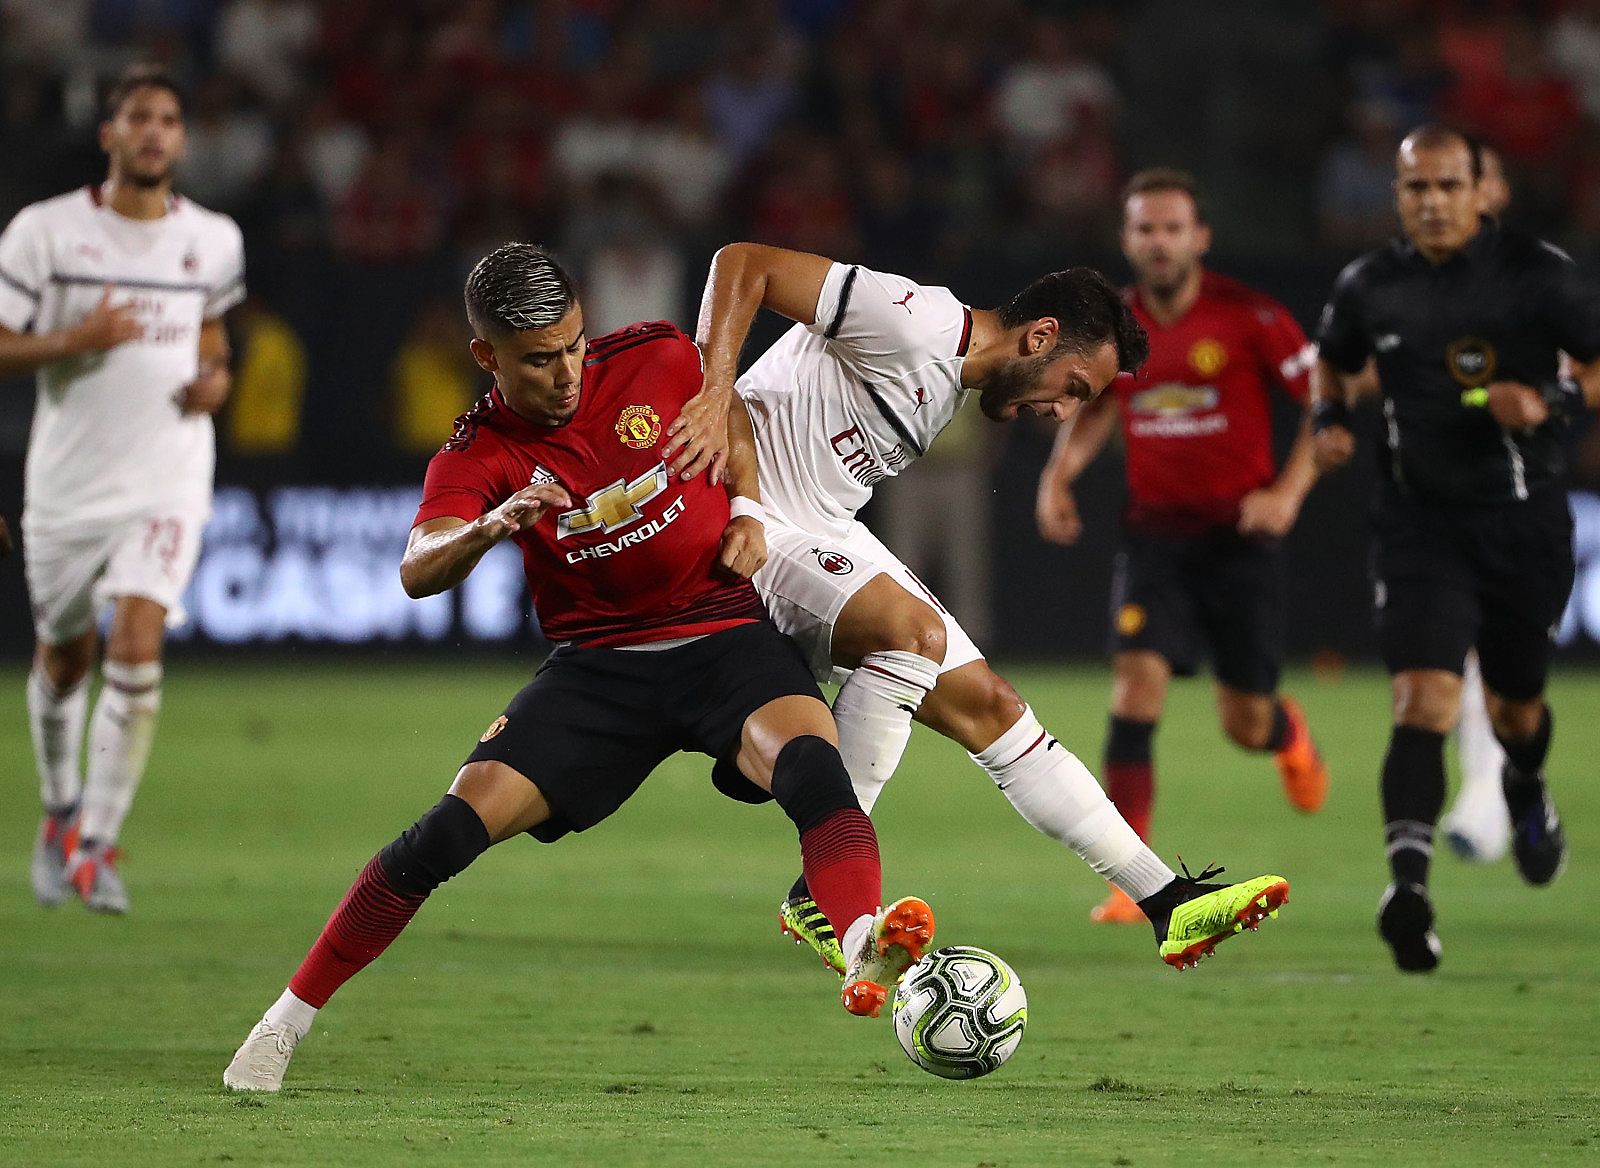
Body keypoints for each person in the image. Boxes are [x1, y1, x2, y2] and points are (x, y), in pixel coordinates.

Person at [222, 243, 931, 1093]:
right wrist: (492, 526)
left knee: (814, 766)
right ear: (486, 356)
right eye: (538, 359)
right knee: (442, 836)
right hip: (601, 670)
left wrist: (745, 507)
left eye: (573, 346)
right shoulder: (476, 453)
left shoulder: (660, 354)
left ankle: (858, 942)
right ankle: (280, 1025)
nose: (565, 373)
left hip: (722, 635)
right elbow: (417, 567)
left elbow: (727, 412)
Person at [663, 243, 1291, 977]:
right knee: (912, 634)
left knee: (992, 705)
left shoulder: (948, 381)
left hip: (821, 528)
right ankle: (824, 891)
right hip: (746, 524)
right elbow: (744, 263)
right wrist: (711, 392)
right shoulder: (915, 320)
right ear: (1041, 337)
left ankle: (1166, 902)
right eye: (1074, 389)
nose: (1060, 412)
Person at [1311, 125, 1600, 973]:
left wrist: (1546, 401)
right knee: (1421, 703)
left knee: (1516, 709)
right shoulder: (1372, 283)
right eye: (1415, 188)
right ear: (1397, 195)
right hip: (1419, 524)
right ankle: (1410, 888)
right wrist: (1330, 419)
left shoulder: (1539, 273)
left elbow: (1595, 364)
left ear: (1482, 191)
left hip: (1523, 521)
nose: (1431, 202)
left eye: (1447, 186)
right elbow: (1332, 364)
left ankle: (1525, 784)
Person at [1033, 169, 1329, 924]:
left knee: (1245, 725)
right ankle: (1134, 880)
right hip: (1155, 539)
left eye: (1172, 228)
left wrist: (1287, 494)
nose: (1158, 242)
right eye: (1144, 229)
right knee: (1134, 689)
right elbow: (1097, 407)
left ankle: (1287, 732)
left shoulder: (1251, 316)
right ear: (1127, 239)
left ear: (1199, 237)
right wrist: (1058, 475)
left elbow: (1325, 404)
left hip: (1240, 542)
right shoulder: (1119, 327)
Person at [0, 65, 245, 914]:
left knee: (138, 638)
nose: (154, 132)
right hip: (69, 482)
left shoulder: (213, 237)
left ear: (181, 139)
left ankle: (96, 846)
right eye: (139, 118)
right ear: (108, 134)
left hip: (170, 473)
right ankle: (59, 812)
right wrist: (77, 338)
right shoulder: (46, 232)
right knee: (66, 658)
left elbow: (210, 331)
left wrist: (216, 377)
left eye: (169, 120)